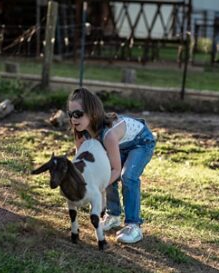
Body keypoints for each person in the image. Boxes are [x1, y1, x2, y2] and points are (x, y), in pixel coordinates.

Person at [66, 87, 156, 246]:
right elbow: (83, 163)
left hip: (141, 142)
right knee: (105, 172)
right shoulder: (80, 132)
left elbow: (115, 169)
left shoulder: (108, 134)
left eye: (78, 114)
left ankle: (134, 225)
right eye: (70, 114)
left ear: (92, 112)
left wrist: (96, 186)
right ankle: (113, 215)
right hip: (121, 145)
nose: (73, 119)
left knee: (127, 176)